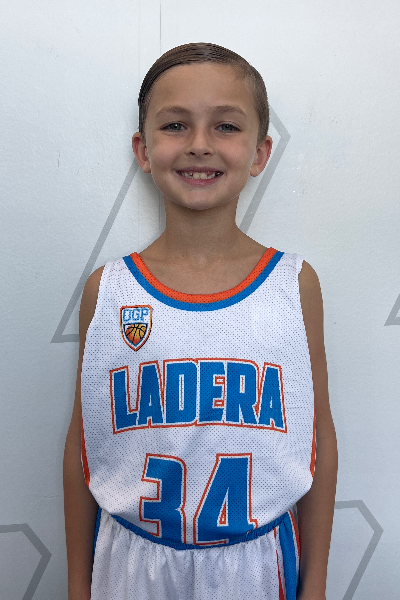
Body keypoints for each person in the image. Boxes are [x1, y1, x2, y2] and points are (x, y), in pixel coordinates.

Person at [63, 43, 338, 600]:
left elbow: (317, 444)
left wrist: (315, 586)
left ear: (260, 152)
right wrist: (76, 584)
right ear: (143, 149)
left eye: (226, 126)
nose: (199, 144)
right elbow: (83, 448)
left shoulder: (294, 285)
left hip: (257, 565)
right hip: (130, 565)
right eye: (175, 125)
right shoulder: (107, 290)